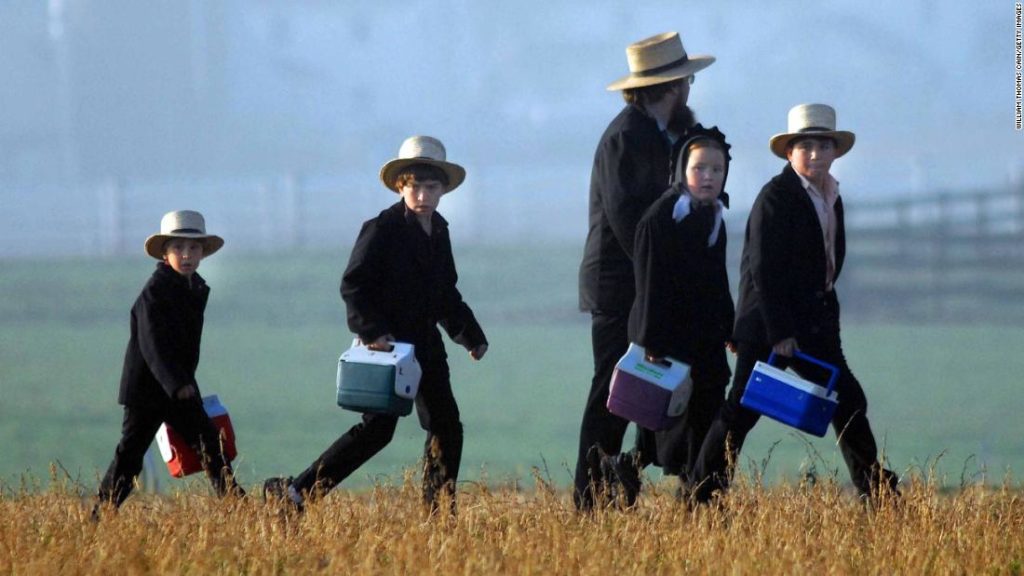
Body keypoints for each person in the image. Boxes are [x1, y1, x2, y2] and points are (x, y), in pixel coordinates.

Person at [264, 135, 488, 515]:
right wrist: (371, 332)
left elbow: (444, 293)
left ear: (443, 190)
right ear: (401, 186)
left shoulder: (440, 231)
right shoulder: (381, 229)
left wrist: (470, 336)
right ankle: (296, 494)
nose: (423, 195)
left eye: (431, 187)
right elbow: (353, 284)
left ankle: (437, 515)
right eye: (415, 186)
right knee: (377, 431)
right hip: (388, 348)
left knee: (447, 426)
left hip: (426, 346)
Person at [689, 103, 899, 504]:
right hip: (771, 324)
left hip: (813, 323)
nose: (816, 154)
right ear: (789, 152)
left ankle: (876, 492)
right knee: (742, 409)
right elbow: (763, 271)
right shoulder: (776, 197)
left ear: (835, 151)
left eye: (824, 145)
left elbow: (828, 260)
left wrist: (823, 316)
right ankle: (702, 492)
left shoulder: (831, 195)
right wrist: (780, 332)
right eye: (806, 146)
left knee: (848, 399)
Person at [575, 31, 714, 510]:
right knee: (612, 393)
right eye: (687, 81)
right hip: (619, 288)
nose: (690, 89)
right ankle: (588, 501)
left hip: (646, 285)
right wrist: (668, 273)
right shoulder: (625, 138)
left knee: (652, 387)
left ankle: (626, 475)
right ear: (673, 86)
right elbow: (630, 224)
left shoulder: (661, 134)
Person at [93, 210, 243, 518]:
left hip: (179, 387)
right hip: (148, 391)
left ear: (202, 253)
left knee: (210, 446)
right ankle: (101, 512)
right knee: (130, 455)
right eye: (178, 247)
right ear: (165, 253)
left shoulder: (193, 287)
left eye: (194, 247)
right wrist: (177, 384)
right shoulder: (155, 292)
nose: (186, 254)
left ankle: (239, 508)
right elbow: (153, 346)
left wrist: (182, 384)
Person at [628, 125, 735, 501]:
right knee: (668, 424)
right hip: (669, 339)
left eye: (717, 170)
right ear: (681, 171)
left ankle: (699, 496)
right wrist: (651, 341)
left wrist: (730, 328)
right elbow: (648, 284)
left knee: (706, 416)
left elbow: (719, 280)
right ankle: (629, 477)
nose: (708, 177)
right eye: (699, 168)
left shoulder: (715, 217)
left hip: (706, 338)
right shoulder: (660, 219)